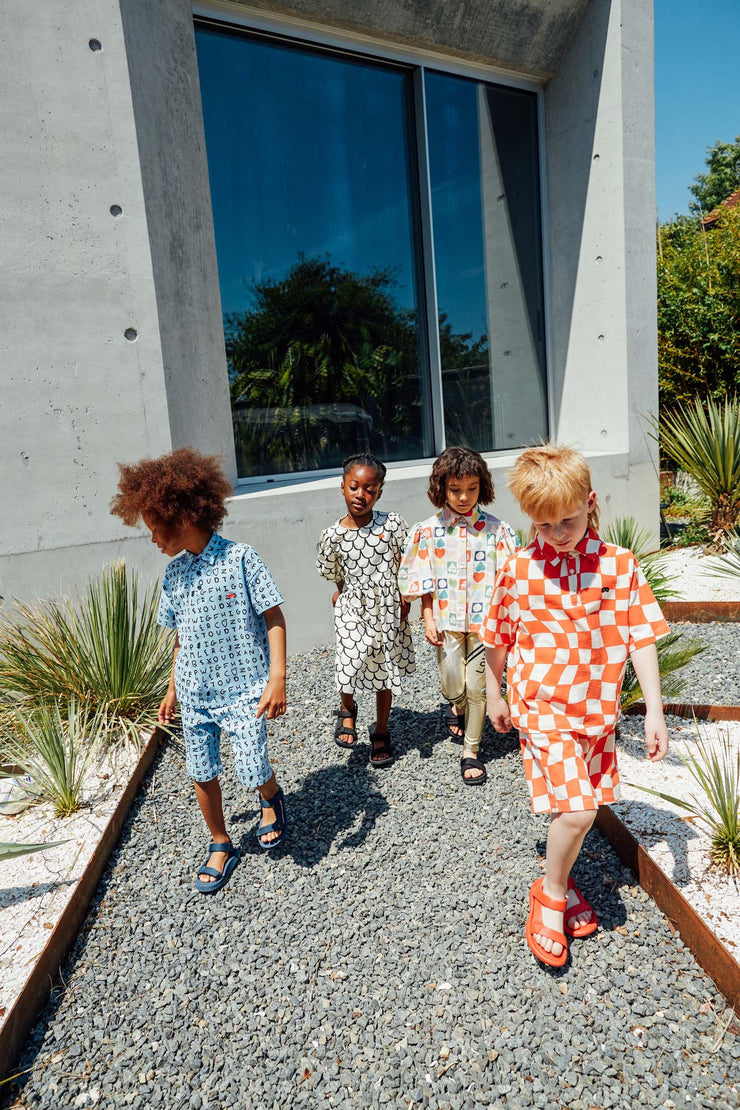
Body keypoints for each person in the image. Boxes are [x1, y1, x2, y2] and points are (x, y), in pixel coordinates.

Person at [481, 444, 669, 966]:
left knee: (575, 810)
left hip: (596, 712)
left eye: (566, 519)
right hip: (541, 707)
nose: (557, 534)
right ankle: (552, 895)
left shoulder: (620, 565)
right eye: (543, 525)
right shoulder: (519, 570)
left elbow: (642, 638)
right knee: (582, 809)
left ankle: (555, 879)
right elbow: (497, 637)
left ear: (589, 502)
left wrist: (653, 710)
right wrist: (495, 693)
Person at [110, 447, 288, 894]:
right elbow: (179, 639)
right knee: (201, 770)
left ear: (182, 515)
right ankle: (220, 842)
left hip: (246, 688)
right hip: (194, 694)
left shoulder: (241, 559)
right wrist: (172, 690)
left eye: (154, 528)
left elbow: (273, 617)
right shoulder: (173, 576)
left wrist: (277, 678)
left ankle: (271, 798)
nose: (152, 538)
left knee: (251, 765)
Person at [398, 447, 518, 785]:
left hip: (485, 626)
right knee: (452, 682)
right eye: (455, 490)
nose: (464, 497)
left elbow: (513, 577)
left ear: (483, 486)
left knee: (478, 687)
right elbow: (419, 575)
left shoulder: (498, 531)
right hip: (447, 621)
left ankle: (471, 751)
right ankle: (457, 707)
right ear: (441, 488)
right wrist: (428, 614)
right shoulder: (427, 531)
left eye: (472, 488)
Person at [317, 453, 415, 767]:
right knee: (348, 661)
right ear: (343, 487)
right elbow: (332, 572)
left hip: (387, 607)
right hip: (352, 607)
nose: (362, 495)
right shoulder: (331, 536)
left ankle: (381, 730)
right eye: (355, 487)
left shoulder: (392, 523)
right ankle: (348, 708)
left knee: (383, 669)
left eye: (370, 489)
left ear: (380, 492)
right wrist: (340, 593)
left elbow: (408, 561)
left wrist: (406, 597)